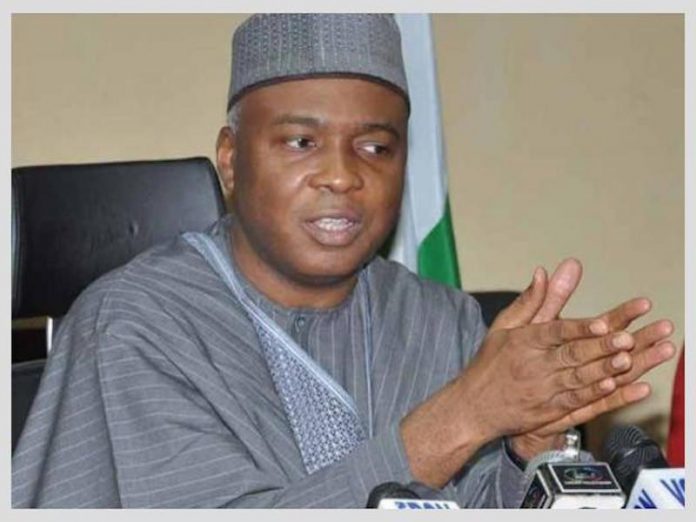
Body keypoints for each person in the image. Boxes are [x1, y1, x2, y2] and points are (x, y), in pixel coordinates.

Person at [11, 14, 676, 508]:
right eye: (301, 142)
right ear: (232, 161)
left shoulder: (438, 318)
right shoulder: (134, 323)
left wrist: (529, 450)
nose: (342, 175)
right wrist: (465, 415)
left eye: (376, 148)